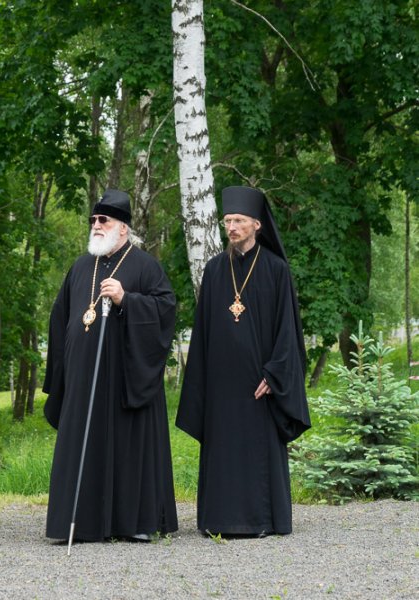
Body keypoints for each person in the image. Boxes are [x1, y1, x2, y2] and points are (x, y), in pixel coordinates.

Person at [43, 189, 177, 543]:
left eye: (103, 220)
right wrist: (63, 368)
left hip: (124, 378)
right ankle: (78, 523)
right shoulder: (80, 266)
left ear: (123, 228)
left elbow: (165, 311)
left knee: (127, 448)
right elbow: (60, 318)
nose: (96, 225)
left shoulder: (145, 266)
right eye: (93, 220)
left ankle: (132, 523)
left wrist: (126, 300)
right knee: (82, 445)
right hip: (83, 377)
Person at [176, 185, 311, 537]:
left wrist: (276, 373)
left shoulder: (276, 270)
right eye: (227, 221)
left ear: (257, 224)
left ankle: (262, 520)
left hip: (259, 384)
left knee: (257, 450)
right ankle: (218, 520)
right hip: (221, 385)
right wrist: (202, 380)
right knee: (223, 451)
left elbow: (288, 330)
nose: (232, 227)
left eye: (238, 221)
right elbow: (203, 331)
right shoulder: (214, 270)